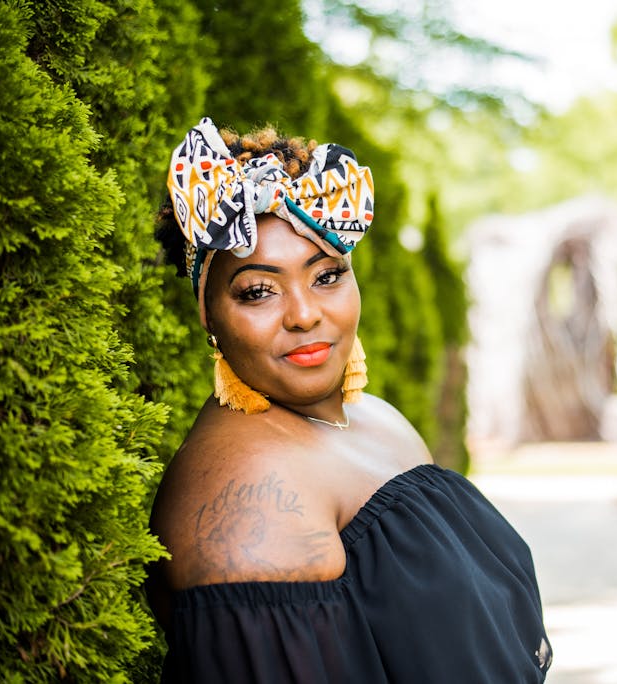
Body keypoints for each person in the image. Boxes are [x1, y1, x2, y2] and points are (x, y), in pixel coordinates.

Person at [145, 117, 552, 683]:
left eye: (327, 276)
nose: (305, 314)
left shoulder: (373, 419)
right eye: (259, 290)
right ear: (208, 314)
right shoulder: (247, 507)